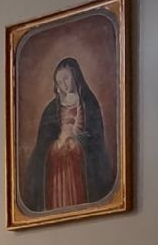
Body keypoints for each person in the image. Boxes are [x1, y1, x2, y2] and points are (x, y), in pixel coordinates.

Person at [21, 57, 112, 212]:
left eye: (66, 78)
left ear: (75, 76)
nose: (63, 84)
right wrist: (56, 146)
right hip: (57, 166)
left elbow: (96, 140)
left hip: (79, 165)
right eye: (59, 81)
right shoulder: (51, 109)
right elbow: (42, 144)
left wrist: (78, 143)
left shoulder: (89, 104)